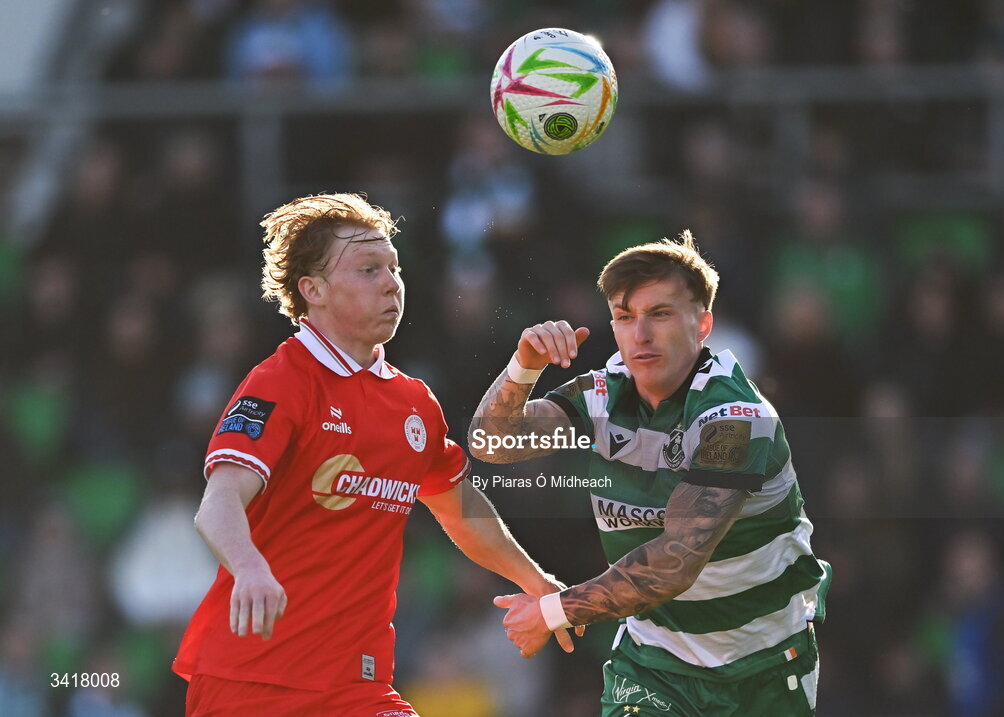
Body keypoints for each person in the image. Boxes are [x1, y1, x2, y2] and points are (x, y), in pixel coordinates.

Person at [172, 193, 578, 716]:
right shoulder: (281, 382)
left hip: (357, 687)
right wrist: (249, 566)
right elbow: (218, 501)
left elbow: (459, 509)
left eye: (394, 267)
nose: (391, 283)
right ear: (312, 290)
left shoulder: (413, 402)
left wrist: (537, 582)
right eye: (368, 269)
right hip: (253, 682)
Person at [471, 232, 831, 716]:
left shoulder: (736, 419)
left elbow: (676, 562)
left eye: (659, 314)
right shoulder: (603, 393)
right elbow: (492, 442)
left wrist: (553, 612)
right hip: (652, 665)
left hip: (762, 667)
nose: (639, 335)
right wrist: (523, 367)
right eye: (624, 317)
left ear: (703, 324)